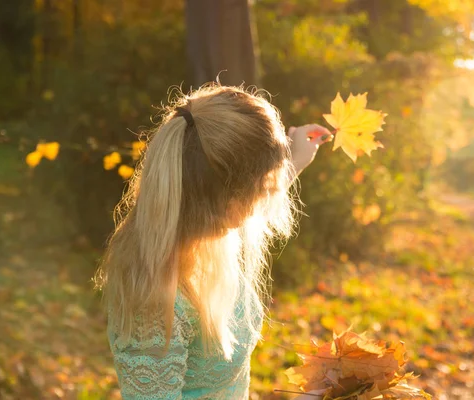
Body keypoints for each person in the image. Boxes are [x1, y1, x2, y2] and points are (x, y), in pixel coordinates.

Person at [95, 84, 332, 399]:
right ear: (223, 202)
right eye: (260, 187)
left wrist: (294, 159)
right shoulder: (155, 303)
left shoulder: (206, 237)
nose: (264, 200)